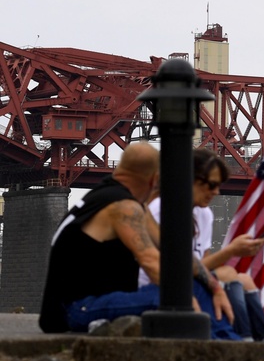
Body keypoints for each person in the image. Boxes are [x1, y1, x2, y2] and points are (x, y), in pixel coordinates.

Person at [39, 142, 237, 338]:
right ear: (154, 178)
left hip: (88, 304)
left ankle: (224, 342)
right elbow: (150, 259)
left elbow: (172, 252)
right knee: (181, 295)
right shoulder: (123, 207)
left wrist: (214, 286)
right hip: (77, 310)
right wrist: (187, 299)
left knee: (195, 286)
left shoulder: (114, 199)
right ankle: (224, 346)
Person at [140, 148, 264, 342]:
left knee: (244, 279)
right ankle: (245, 341)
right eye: (211, 185)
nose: (216, 192)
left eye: (218, 186)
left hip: (191, 281)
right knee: (231, 276)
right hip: (160, 287)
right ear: (189, 178)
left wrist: (229, 255)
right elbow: (177, 270)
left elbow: (203, 264)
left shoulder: (204, 214)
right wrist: (231, 251)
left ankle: (262, 342)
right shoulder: (160, 210)